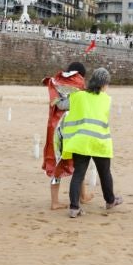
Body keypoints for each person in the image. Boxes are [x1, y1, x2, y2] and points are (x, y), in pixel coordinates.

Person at [61, 67, 123, 218]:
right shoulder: (107, 99)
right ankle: (110, 201)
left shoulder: (78, 96)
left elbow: (62, 105)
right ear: (104, 85)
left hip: (81, 141)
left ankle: (74, 208)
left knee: (78, 175)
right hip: (99, 141)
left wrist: (56, 99)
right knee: (105, 173)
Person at [42, 61, 93, 210]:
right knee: (80, 160)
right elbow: (80, 103)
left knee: (56, 161)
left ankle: (55, 201)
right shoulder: (80, 83)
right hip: (72, 126)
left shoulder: (55, 81)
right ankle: (82, 196)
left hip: (55, 127)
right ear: (80, 74)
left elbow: (56, 103)